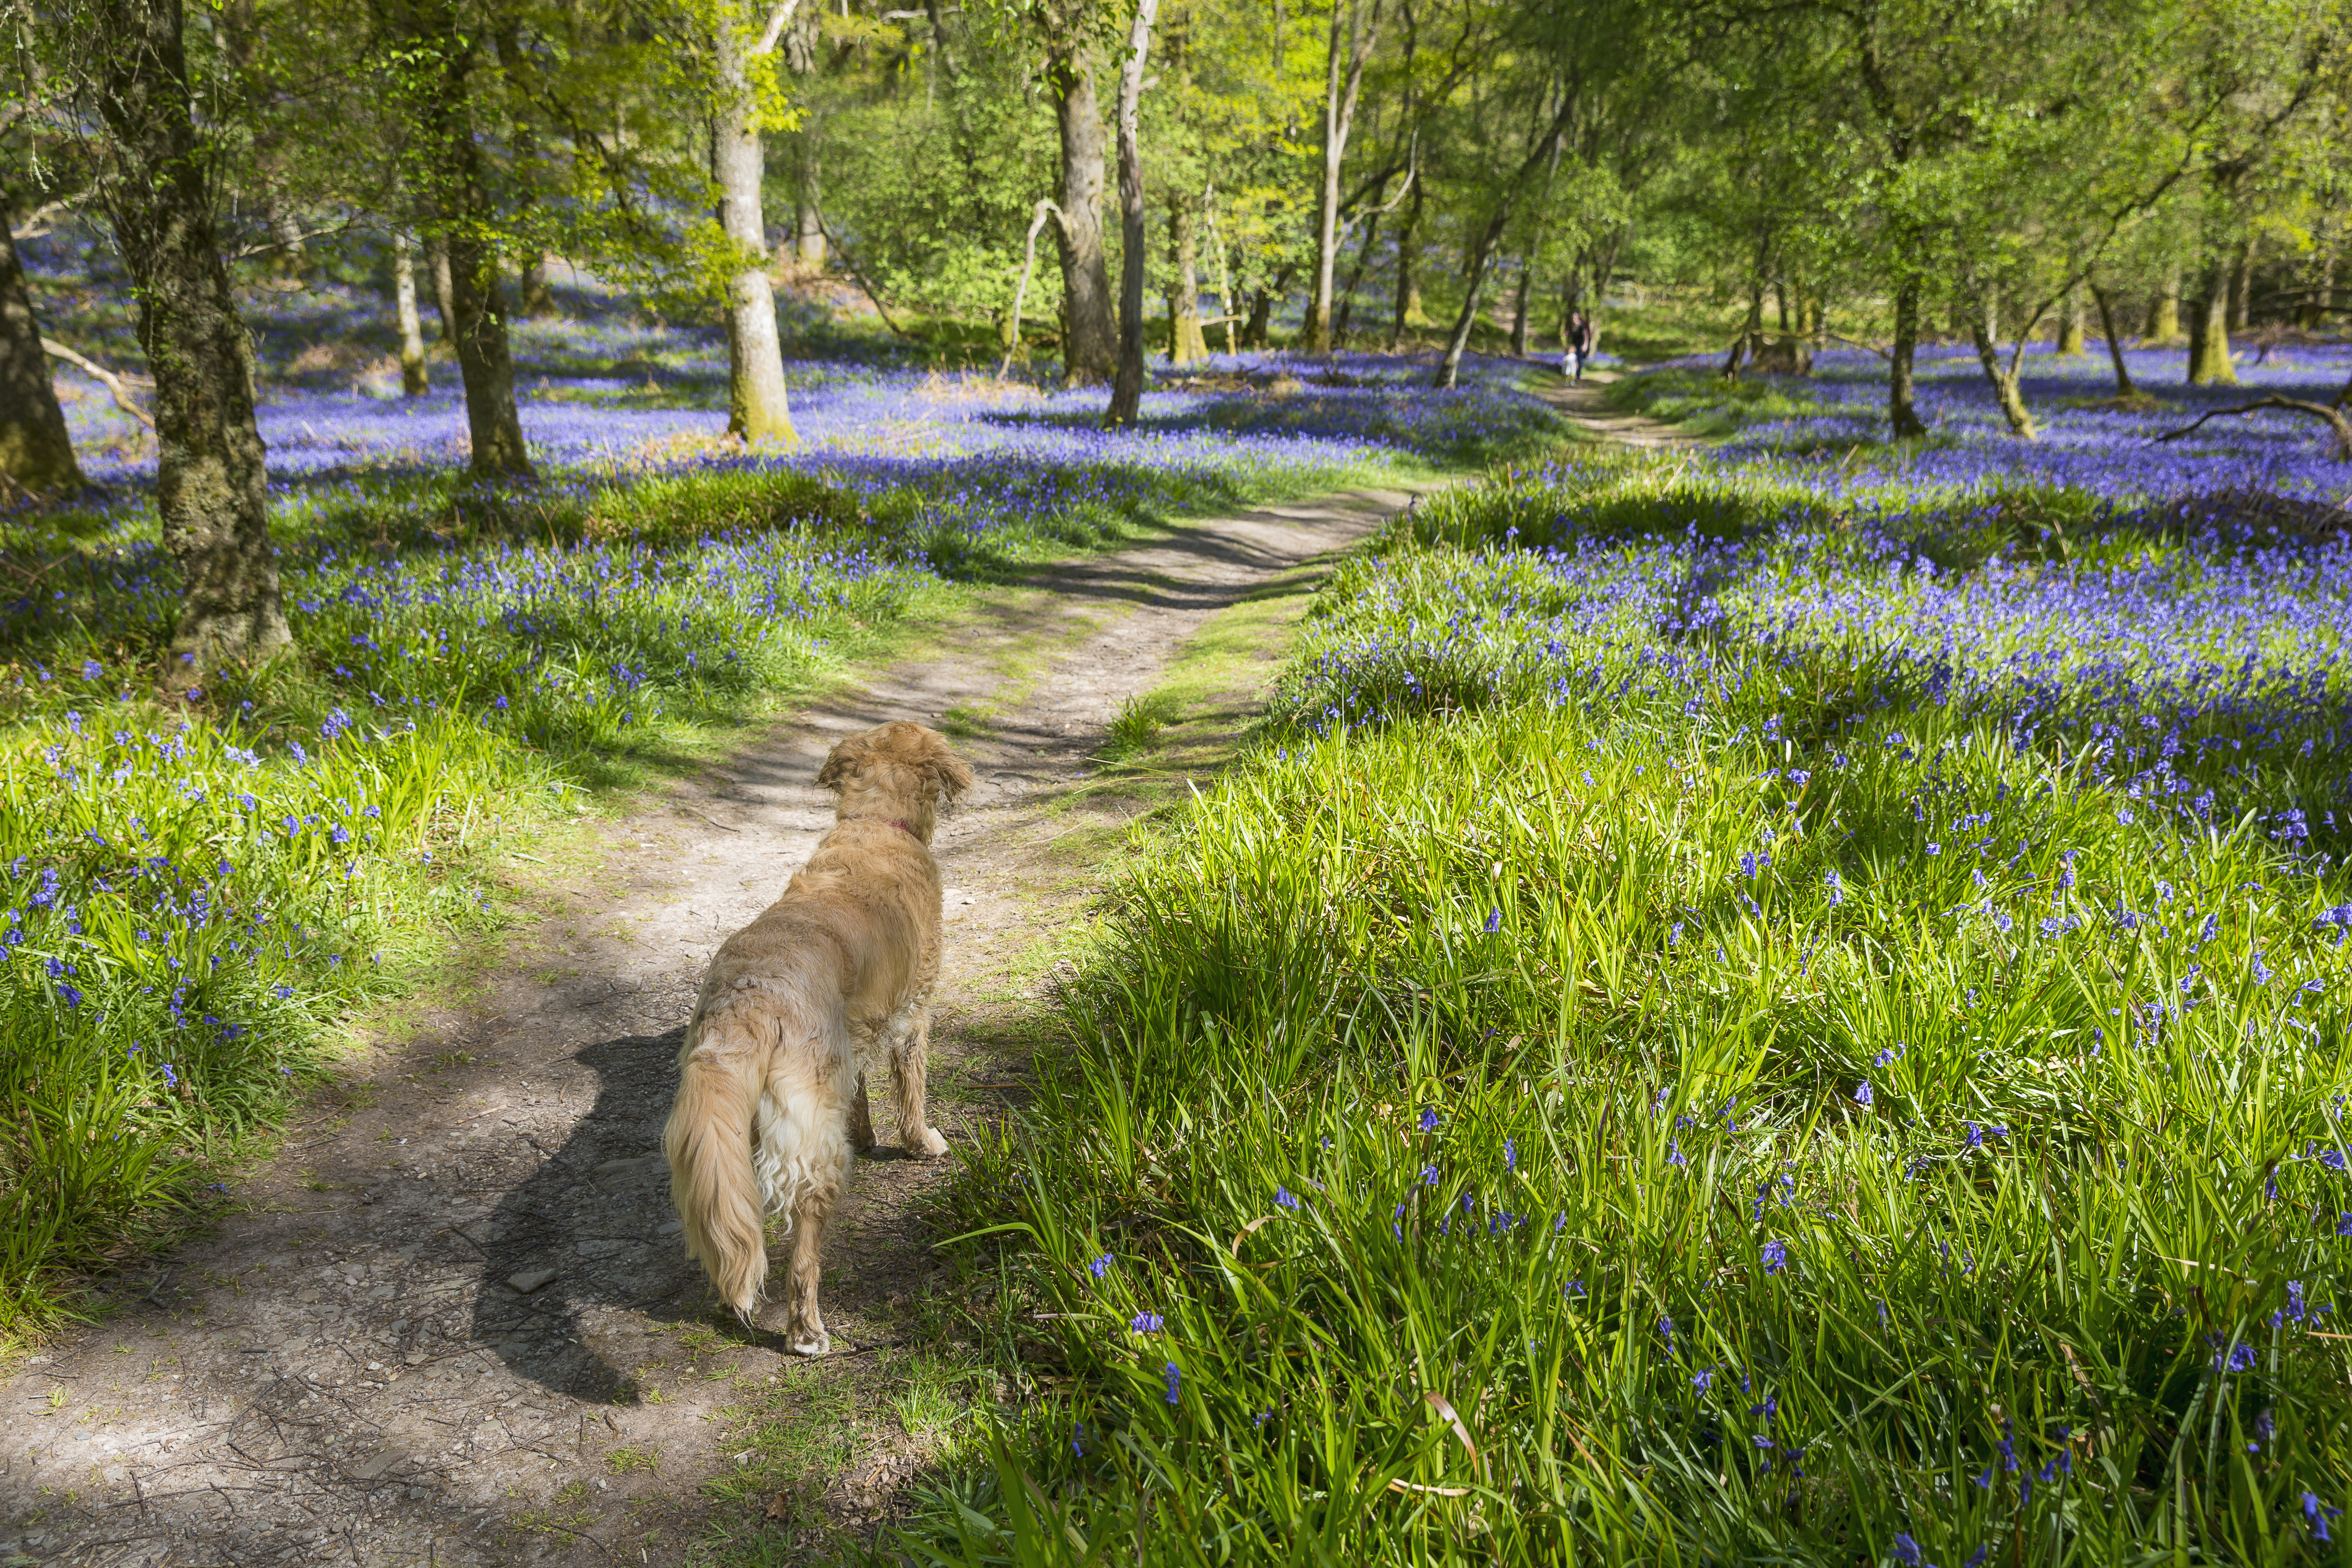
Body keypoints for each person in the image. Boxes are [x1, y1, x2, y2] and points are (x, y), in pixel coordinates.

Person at [1562, 309, 1598, 383]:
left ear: (1578, 317)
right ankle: (1570, 374)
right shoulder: (1571, 326)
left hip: (1581, 346)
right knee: (1571, 359)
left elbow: (1586, 336)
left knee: (1579, 360)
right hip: (1573, 346)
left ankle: (1578, 376)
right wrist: (1566, 334)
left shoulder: (1582, 326)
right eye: (1573, 318)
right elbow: (1568, 332)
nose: (1574, 319)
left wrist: (1586, 345)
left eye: (1575, 317)